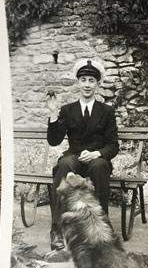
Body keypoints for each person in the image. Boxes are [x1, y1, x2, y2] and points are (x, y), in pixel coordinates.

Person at [47, 59, 119, 250]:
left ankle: (99, 230)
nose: (87, 85)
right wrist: (53, 114)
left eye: (91, 81)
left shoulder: (107, 111)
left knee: (100, 166)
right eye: (84, 80)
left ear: (98, 84)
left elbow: (113, 146)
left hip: (96, 159)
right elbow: (54, 140)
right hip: (74, 157)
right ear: (78, 83)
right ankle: (57, 230)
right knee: (63, 164)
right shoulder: (67, 110)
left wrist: (97, 153)